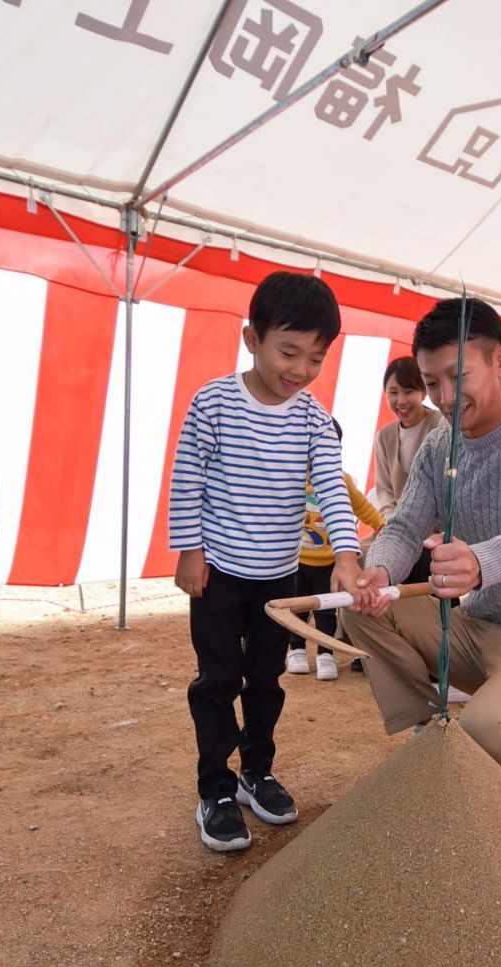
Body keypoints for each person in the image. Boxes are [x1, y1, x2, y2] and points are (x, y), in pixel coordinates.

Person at [344, 298, 501, 804]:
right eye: (431, 381)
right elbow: (402, 526)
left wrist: (484, 562)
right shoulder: (440, 449)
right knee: (362, 609)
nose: (443, 396)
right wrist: (378, 570)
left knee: (491, 731)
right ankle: (429, 730)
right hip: (474, 635)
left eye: (456, 377)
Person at [170, 271, 373, 853]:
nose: (302, 370)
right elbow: (188, 480)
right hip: (218, 576)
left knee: (267, 679)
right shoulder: (214, 401)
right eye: (289, 351)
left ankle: (256, 771)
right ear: (250, 338)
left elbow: (333, 489)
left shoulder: (312, 417)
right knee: (216, 681)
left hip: (278, 582)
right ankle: (215, 788)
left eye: (316, 358)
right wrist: (190, 551)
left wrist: (346, 554)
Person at [286, 417, 383, 681]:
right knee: (298, 608)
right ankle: (295, 649)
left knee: (328, 611)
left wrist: (380, 525)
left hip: (331, 563)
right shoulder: (289, 480)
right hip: (297, 561)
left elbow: (362, 507)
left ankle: (325, 653)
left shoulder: (342, 480)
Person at [374, 356, 444, 586]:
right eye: (393, 392)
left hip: (435, 538)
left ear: (423, 392)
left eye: (409, 391)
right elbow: (384, 492)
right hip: (400, 532)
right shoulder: (385, 437)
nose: (401, 400)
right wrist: (394, 527)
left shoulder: (441, 425)